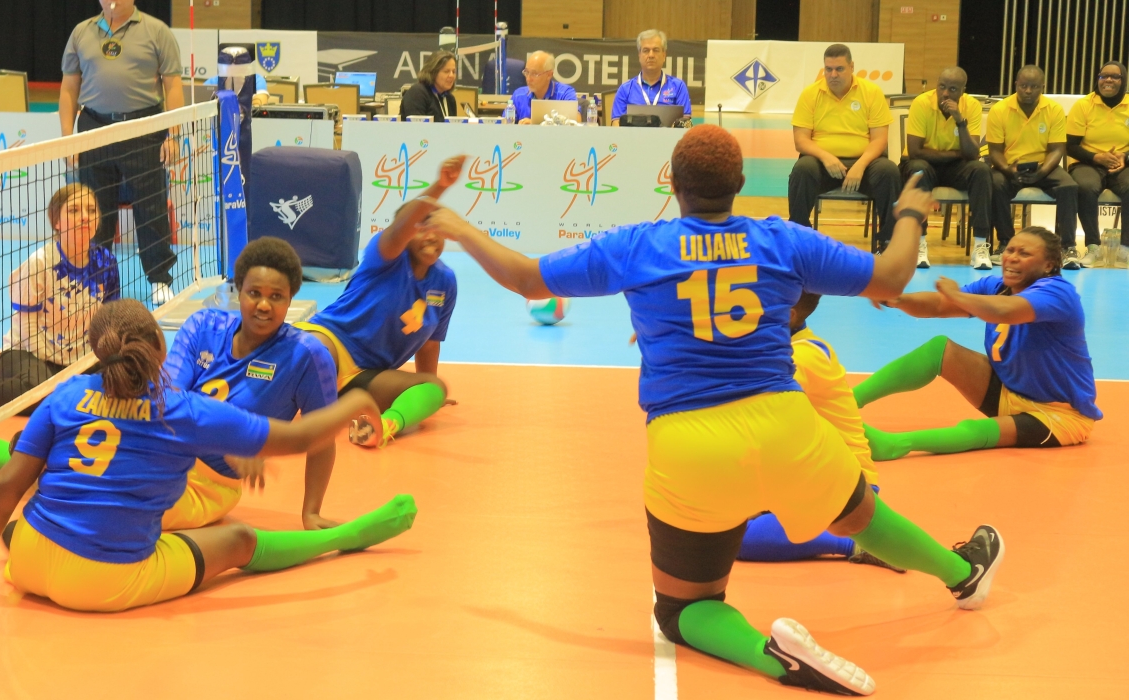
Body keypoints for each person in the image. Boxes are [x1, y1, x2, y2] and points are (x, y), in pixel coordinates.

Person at [424, 125, 1003, 696]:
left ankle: (770, 655)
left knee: (684, 609)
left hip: (689, 442)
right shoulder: (782, 240)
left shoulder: (636, 247)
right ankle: (962, 576)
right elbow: (893, 276)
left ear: (672, 183)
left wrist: (461, 228)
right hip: (784, 422)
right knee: (859, 518)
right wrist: (908, 214)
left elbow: (526, 278)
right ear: (741, 183)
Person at [0, 299, 418, 613]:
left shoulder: (67, 393)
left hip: (26, 557)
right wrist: (354, 403)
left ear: (97, 353)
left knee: (50, 470)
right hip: (101, 582)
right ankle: (349, 536)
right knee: (236, 540)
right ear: (160, 346)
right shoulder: (185, 411)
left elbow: (10, 483)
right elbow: (299, 441)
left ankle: (9, 540)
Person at [856, 226, 1100, 460]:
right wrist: (896, 299)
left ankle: (895, 445)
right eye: (1010, 250)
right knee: (939, 349)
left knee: (980, 431)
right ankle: (844, 401)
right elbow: (941, 306)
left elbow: (1005, 312)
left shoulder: (1058, 293)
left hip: (1058, 415)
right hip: (1010, 393)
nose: (1012, 258)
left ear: (1048, 265)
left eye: (1024, 253)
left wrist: (957, 295)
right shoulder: (996, 286)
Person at [160, 238, 341, 531]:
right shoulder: (203, 325)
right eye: (254, 293)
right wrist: (225, 437)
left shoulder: (306, 356)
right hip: (161, 455)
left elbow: (322, 437)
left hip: (209, 487)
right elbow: (167, 400)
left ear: (291, 298)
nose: (264, 305)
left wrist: (311, 513)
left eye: (277, 296)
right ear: (239, 291)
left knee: (119, 508)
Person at [296, 156, 463, 448]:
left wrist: (422, 392)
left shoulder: (445, 282)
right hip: (332, 342)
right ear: (407, 231)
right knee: (313, 355)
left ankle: (381, 427)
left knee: (435, 388)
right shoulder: (385, 255)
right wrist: (440, 186)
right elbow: (402, 227)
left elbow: (430, 343)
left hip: (367, 376)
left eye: (437, 227)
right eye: (421, 226)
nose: (431, 235)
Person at [737, 292, 901, 572]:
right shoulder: (783, 345)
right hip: (807, 475)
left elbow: (752, 406)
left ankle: (857, 542)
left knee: (737, 539)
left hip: (846, 485)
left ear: (788, 315)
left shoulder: (805, 355)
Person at [0, 184, 119, 412]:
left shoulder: (106, 262)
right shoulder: (40, 262)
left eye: (91, 210)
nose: (84, 217)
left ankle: (59, 390)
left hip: (79, 359)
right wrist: (58, 377)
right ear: (56, 221)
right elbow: (27, 326)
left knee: (120, 382)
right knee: (38, 395)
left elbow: (108, 321)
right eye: (74, 210)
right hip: (27, 354)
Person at [60, 0, 183, 307]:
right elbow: (68, 88)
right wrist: (67, 139)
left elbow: (174, 86)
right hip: (94, 128)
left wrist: (173, 133)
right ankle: (95, 277)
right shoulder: (80, 32)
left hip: (144, 128)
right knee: (93, 209)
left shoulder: (157, 31)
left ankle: (159, 279)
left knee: (150, 206)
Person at [789, 44, 901, 252]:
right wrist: (825, 157)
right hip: (824, 164)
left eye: (839, 69)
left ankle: (887, 243)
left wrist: (860, 165)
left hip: (864, 163)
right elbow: (801, 140)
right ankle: (799, 239)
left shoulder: (872, 92)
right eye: (828, 69)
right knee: (802, 170)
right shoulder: (810, 94)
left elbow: (879, 140)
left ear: (851, 67)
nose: (833, 74)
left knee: (889, 172)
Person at [902, 67, 994, 270]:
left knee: (981, 171)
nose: (945, 93)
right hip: (926, 163)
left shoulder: (972, 106)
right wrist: (955, 154)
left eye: (952, 89)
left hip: (955, 167)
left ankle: (980, 246)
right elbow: (916, 152)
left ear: (962, 91)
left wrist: (960, 122)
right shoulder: (921, 103)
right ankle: (919, 244)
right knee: (918, 168)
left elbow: (971, 155)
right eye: (942, 86)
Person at [987, 65, 1079, 268]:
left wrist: (1042, 172)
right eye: (1024, 86)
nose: (1028, 91)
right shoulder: (1000, 109)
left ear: (1042, 87)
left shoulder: (1053, 110)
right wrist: (1007, 169)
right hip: (1009, 166)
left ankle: (1067, 247)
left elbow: (1057, 149)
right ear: (1016, 85)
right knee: (995, 183)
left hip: (1043, 166)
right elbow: (994, 151)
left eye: (1034, 86)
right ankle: (1005, 242)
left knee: (1069, 186)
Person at [1067, 60, 1129, 267]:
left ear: (1123, 80)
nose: (1108, 80)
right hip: (1088, 162)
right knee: (1085, 186)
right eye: (1104, 76)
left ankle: (1125, 249)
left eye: (1115, 76)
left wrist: (1124, 157)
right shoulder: (1084, 106)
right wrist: (1096, 158)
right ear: (1098, 79)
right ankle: (1093, 247)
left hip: (1122, 164)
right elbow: (1071, 146)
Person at [610, 29, 692, 122]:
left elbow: (686, 122)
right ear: (639, 55)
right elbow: (616, 124)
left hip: (669, 136)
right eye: (646, 50)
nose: (651, 55)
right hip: (633, 136)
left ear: (664, 55)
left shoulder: (678, 87)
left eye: (656, 50)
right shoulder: (625, 89)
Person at [511, 51, 578, 124]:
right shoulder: (518, 95)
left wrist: (536, 125)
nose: (528, 79)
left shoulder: (565, 93)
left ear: (549, 75)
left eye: (534, 74)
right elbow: (506, 124)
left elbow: (577, 120)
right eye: (527, 72)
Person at [400, 51, 457, 123]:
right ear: (433, 72)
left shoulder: (450, 98)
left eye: (454, 71)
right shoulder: (417, 93)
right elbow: (416, 130)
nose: (451, 76)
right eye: (446, 71)